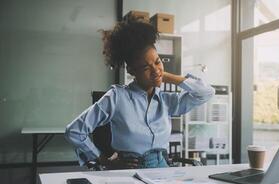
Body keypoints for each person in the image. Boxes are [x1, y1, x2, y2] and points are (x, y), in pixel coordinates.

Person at [65, 18, 215, 170]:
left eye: (157, 61)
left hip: (163, 170)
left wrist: (164, 75)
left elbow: (206, 93)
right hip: (128, 172)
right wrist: (104, 160)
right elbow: (75, 131)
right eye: (145, 67)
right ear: (131, 71)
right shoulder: (117, 97)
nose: (155, 69)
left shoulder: (166, 100)